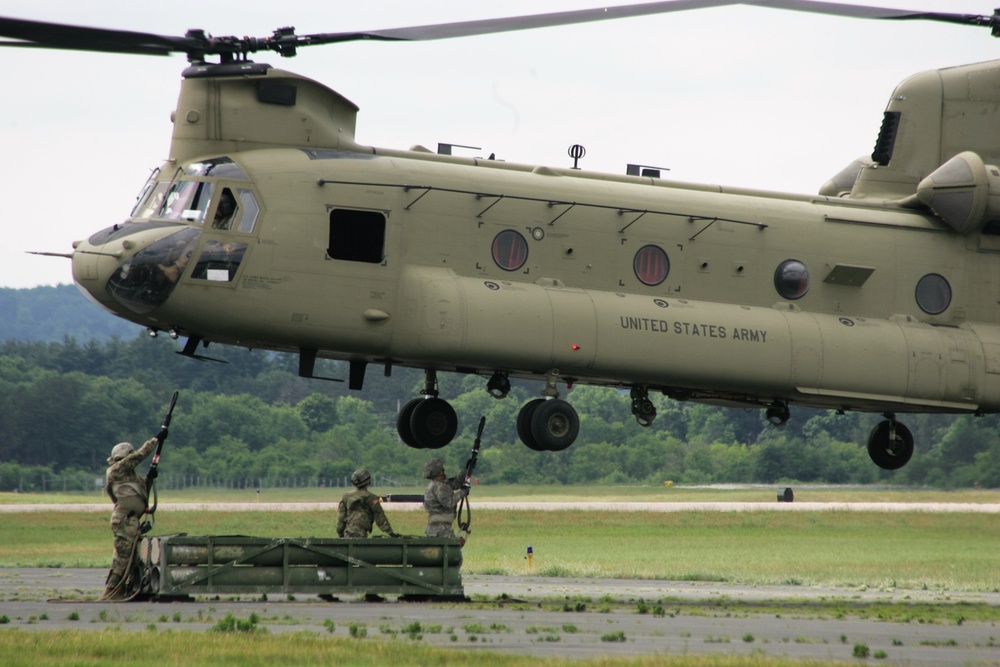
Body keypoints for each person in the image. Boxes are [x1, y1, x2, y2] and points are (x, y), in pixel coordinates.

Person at [102, 432, 162, 599]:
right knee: (123, 557)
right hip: (124, 520)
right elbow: (139, 456)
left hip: (132, 520)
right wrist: (156, 440)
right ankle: (112, 592)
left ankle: (125, 589)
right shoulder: (116, 470)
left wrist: (149, 479)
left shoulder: (132, 477)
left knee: (133, 557)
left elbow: (141, 495)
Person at [336, 469, 398, 538]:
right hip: (362, 534)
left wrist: (340, 534)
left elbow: (341, 518)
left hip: (347, 533)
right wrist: (391, 533)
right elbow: (380, 517)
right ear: (368, 481)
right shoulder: (372, 498)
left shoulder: (346, 496)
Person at [422, 458, 468, 538]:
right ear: (438, 472)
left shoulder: (438, 484)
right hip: (441, 530)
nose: (444, 471)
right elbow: (449, 502)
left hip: (437, 528)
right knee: (450, 550)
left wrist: (466, 470)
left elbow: (456, 483)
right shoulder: (439, 487)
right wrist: (463, 492)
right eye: (442, 469)